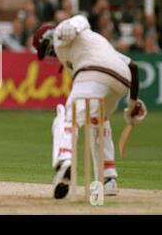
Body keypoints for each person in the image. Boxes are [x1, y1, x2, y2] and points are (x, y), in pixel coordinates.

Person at [32, 15, 147, 199]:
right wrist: (132, 104)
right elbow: (131, 66)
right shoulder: (91, 45)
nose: (50, 54)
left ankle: (64, 160)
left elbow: (80, 20)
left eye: (46, 49)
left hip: (95, 72)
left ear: (48, 38)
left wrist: (69, 26)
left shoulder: (65, 34)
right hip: (121, 79)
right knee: (99, 121)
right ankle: (108, 179)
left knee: (67, 116)